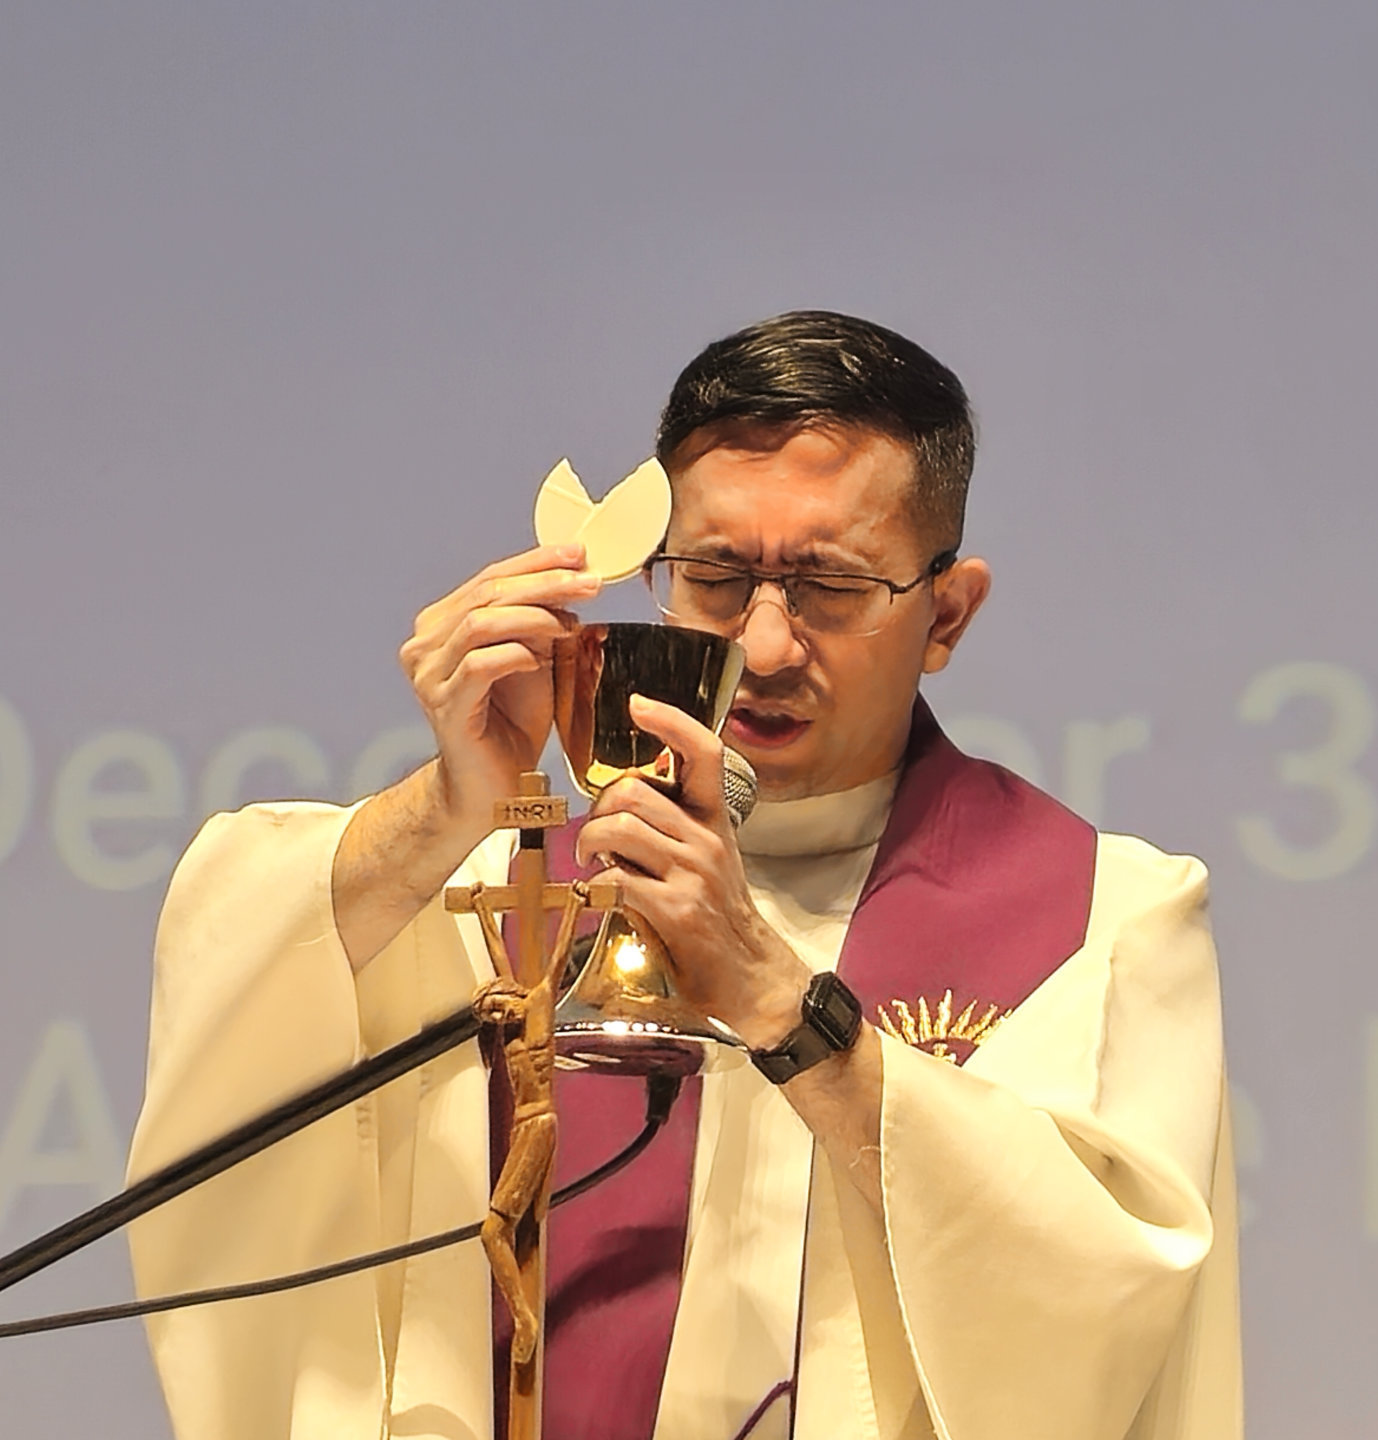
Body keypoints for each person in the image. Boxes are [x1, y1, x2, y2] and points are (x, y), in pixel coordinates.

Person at [124, 311, 1241, 1440]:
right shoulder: (504, 897)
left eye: (829, 586)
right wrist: (445, 809)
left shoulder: (1102, 918)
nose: (762, 646)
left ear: (945, 613)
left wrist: (774, 998)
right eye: (715, 577)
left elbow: (1103, 1304)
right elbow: (246, 1023)